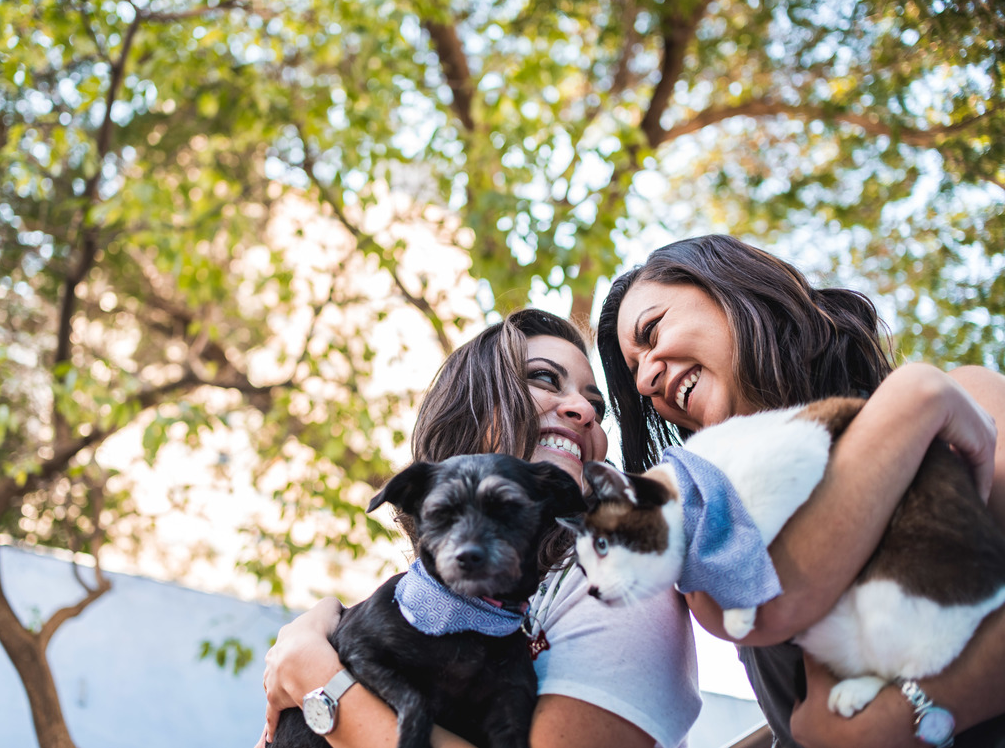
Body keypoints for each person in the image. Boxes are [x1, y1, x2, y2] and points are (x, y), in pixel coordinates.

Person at [596, 233, 1005, 748]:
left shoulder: (971, 396)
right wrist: (915, 406)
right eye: (635, 374)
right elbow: (775, 607)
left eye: (652, 332)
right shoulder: (700, 524)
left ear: (729, 287)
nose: (646, 383)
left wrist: (897, 717)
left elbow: (836, 730)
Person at [258, 309, 702, 748]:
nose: (585, 409)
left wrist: (319, 680)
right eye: (545, 378)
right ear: (468, 410)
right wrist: (318, 627)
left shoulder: (617, 576)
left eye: (597, 406)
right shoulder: (430, 604)